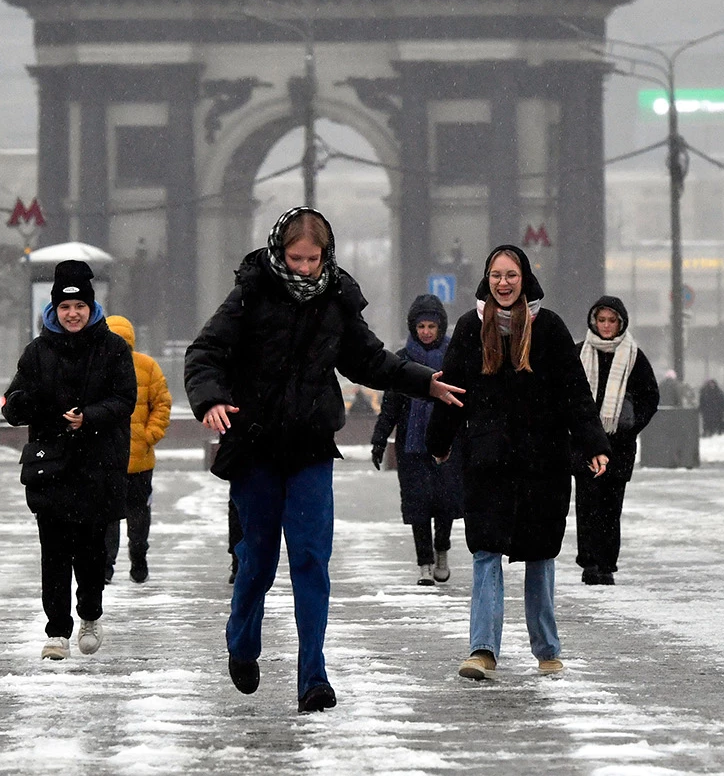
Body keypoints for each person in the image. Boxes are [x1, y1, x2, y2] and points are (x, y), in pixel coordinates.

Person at [185, 207, 465, 714]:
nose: (305, 268)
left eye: (313, 259)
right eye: (295, 258)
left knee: (311, 559)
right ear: (278, 251)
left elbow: (370, 361)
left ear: (326, 256)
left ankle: (313, 675)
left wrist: (424, 382)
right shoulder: (251, 292)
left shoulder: (336, 298)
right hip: (256, 446)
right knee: (258, 560)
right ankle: (242, 641)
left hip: (311, 444)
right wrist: (209, 399)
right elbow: (204, 352)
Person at [426, 245, 609, 681]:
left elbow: (574, 394)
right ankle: (482, 650)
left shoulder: (548, 328)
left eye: (511, 275)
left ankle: (547, 649)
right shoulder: (471, 328)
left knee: (540, 555)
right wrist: (440, 440)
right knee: (486, 551)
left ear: (524, 279)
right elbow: (452, 390)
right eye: (495, 275)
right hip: (487, 462)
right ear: (486, 280)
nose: (503, 283)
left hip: (541, 462)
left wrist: (593, 443)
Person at [2, 260, 136, 661]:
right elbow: (13, 404)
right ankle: (57, 631)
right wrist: (37, 404)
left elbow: (124, 400)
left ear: (91, 307)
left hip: (97, 467)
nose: (72, 314)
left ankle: (90, 616)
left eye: (79, 306)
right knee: (55, 553)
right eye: (65, 307)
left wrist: (88, 416)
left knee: (92, 552)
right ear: (54, 310)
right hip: (52, 469)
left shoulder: (113, 349)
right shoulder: (37, 352)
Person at [371, 294, 464, 586]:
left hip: (447, 443)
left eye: (431, 326)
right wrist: (379, 439)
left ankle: (442, 552)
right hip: (411, 446)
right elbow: (391, 404)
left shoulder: (454, 357)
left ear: (440, 328)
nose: (426, 331)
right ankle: (424, 562)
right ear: (413, 327)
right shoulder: (402, 360)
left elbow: (465, 400)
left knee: (446, 502)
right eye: (421, 325)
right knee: (418, 504)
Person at [573, 296, 659, 586]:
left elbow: (651, 396)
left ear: (620, 323)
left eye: (612, 321)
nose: (606, 326)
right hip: (585, 444)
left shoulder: (634, 357)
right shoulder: (578, 353)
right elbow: (563, 395)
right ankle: (589, 563)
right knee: (586, 505)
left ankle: (606, 563)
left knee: (611, 507)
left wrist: (632, 425)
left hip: (618, 446)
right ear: (593, 322)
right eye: (602, 320)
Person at [103, 315, 171, 585]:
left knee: (109, 516)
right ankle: (137, 558)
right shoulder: (146, 366)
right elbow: (163, 405)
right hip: (132, 459)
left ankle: (108, 565)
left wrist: (147, 435)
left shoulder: (105, 366)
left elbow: (161, 404)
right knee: (137, 513)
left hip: (117, 458)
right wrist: (150, 436)